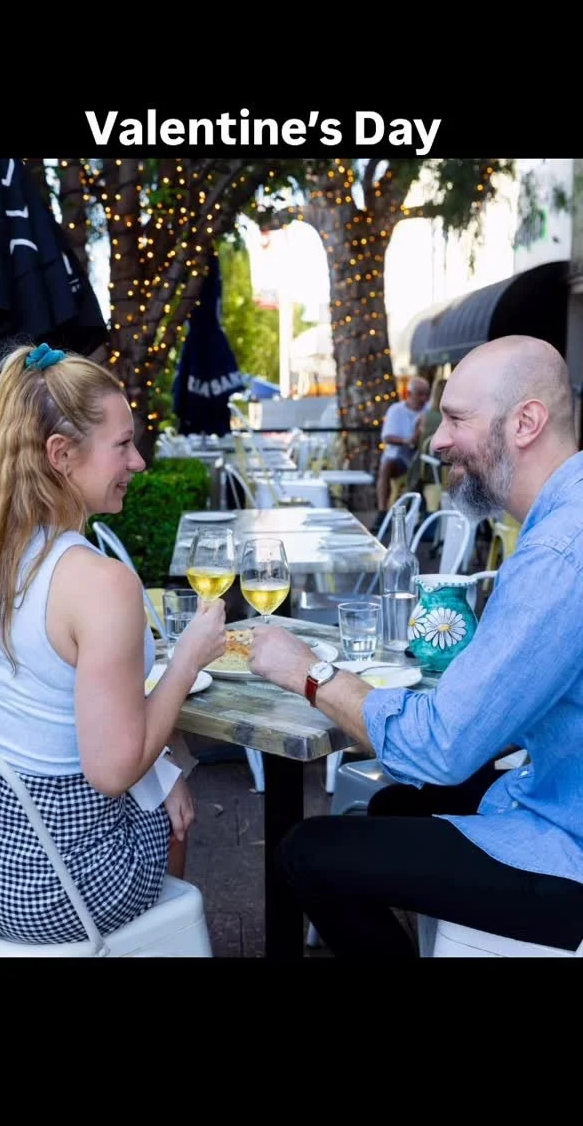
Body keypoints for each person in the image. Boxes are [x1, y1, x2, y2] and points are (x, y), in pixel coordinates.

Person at [249, 334, 583, 958]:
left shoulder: (559, 554)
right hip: (557, 784)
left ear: (526, 423)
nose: (436, 441)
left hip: (570, 849)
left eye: (456, 419)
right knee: (392, 806)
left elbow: (442, 748)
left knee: (306, 853)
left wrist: (310, 672)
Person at [0, 342, 226, 943]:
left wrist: (161, 771)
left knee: (163, 781)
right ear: (61, 455)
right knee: (174, 809)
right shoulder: (101, 583)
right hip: (54, 888)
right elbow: (113, 771)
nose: (138, 462)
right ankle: (151, 947)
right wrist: (188, 657)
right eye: (123, 445)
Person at [376, 376, 430, 520]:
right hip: (400, 458)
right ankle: (382, 512)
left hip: (423, 458)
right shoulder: (396, 410)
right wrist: (407, 441)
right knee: (386, 465)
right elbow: (387, 437)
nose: (424, 398)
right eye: (420, 394)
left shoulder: (429, 410)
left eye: (426, 394)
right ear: (409, 394)